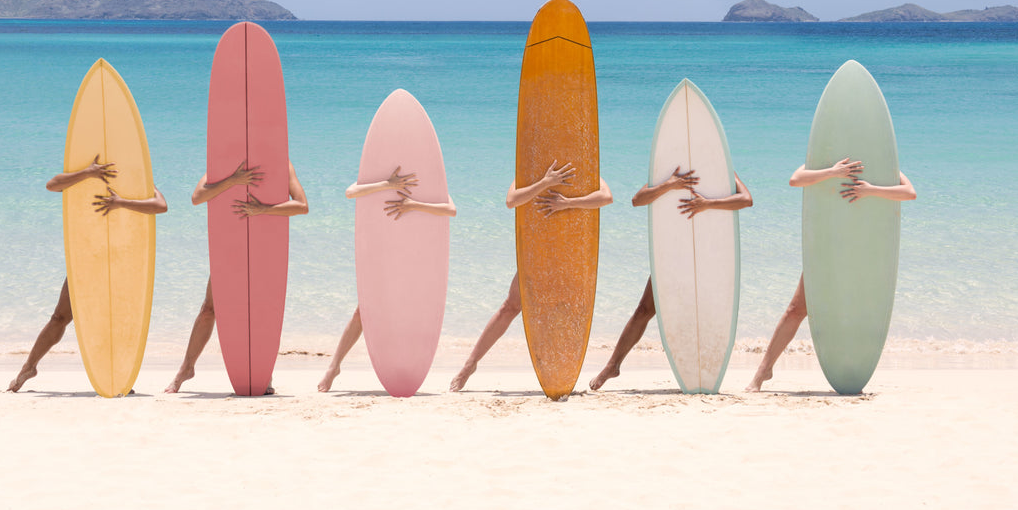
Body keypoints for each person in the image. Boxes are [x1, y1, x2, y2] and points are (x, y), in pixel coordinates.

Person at [745, 158, 917, 392]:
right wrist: (833, 172)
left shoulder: (880, 159)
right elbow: (795, 180)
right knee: (796, 309)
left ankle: (852, 372)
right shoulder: (824, 156)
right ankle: (763, 371)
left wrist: (870, 190)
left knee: (856, 312)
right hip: (826, 248)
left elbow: (909, 192)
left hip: (863, 251)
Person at [448, 161, 613, 392]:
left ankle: (560, 373)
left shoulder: (581, 167)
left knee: (565, 310)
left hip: (570, 254)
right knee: (510, 307)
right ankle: (469, 365)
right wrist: (545, 182)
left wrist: (566, 203)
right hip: (537, 251)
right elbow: (511, 201)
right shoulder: (528, 170)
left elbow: (606, 197)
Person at [8, 157, 168, 392]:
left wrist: (121, 202)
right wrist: (88, 172)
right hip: (86, 257)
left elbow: (161, 205)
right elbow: (52, 185)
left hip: (120, 259)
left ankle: (117, 376)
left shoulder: (136, 180)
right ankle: (29, 367)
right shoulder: (83, 177)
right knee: (60, 318)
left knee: (113, 320)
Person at [587, 166, 753, 391]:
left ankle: (701, 371)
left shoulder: (718, 165)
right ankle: (612, 366)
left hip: (706, 254)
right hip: (672, 252)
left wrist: (708, 204)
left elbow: (746, 199)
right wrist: (670, 184)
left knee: (699, 314)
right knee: (645, 310)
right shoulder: (668, 168)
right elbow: (637, 200)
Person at [164, 159, 308, 393]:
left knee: (261, 313)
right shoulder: (224, 159)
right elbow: (197, 197)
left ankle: (264, 375)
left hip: (265, 248)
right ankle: (186, 369)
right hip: (230, 246)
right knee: (209, 309)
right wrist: (233, 180)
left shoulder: (282, 163)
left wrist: (264, 210)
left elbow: (302, 205)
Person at [317, 166, 458, 392]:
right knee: (361, 312)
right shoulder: (382, 179)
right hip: (382, 255)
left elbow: (451, 210)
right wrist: (388, 184)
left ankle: (405, 367)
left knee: (408, 313)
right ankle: (334, 367)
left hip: (414, 259)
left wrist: (413, 205)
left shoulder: (432, 183)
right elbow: (350, 193)